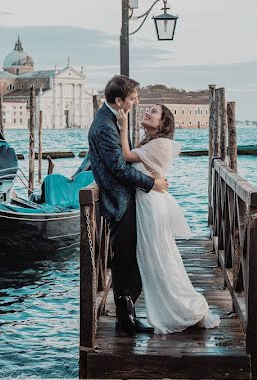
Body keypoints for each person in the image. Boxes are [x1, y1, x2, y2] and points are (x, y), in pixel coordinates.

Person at [118, 105, 220, 333]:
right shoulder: (150, 143)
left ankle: (186, 309)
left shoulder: (162, 144)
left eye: (153, 111)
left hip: (152, 207)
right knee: (154, 258)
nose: (146, 112)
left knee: (160, 257)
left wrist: (123, 127)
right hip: (147, 204)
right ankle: (166, 307)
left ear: (163, 123)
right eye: (146, 109)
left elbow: (125, 156)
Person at [87, 75, 169, 336]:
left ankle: (128, 313)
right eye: (133, 99)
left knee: (130, 259)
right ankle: (126, 322)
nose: (135, 103)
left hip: (125, 199)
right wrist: (151, 183)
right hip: (119, 201)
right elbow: (119, 169)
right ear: (119, 100)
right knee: (124, 261)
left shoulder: (111, 120)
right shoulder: (104, 126)